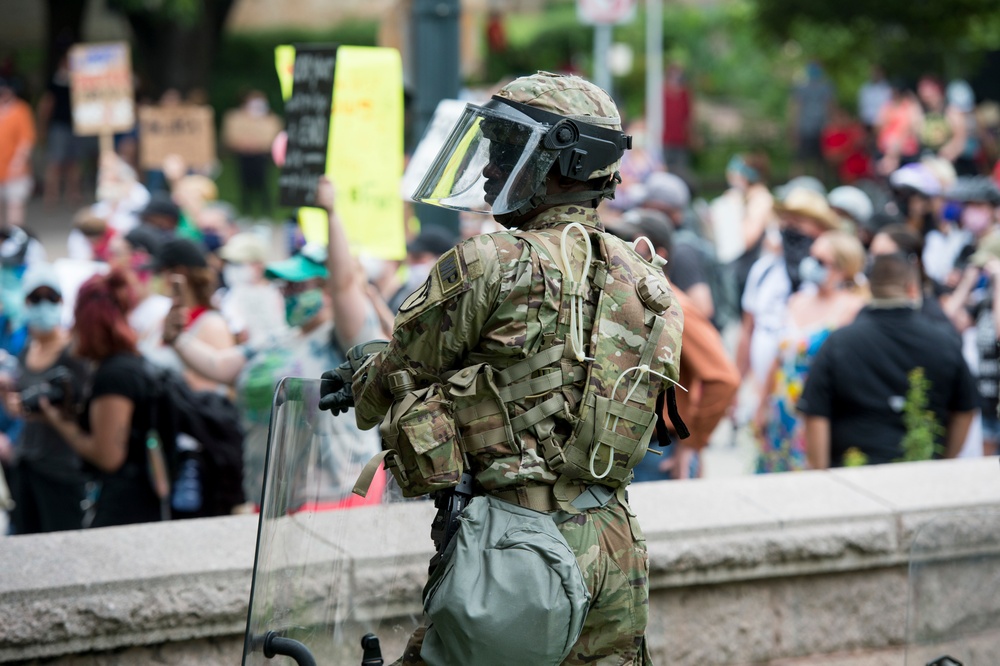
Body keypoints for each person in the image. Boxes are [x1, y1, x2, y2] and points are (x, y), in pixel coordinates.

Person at [324, 72, 683, 665]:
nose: (491, 169)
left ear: (559, 163)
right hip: (615, 544)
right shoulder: (645, 277)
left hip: (516, 548)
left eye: (506, 149)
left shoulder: (490, 261)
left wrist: (362, 365)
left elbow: (396, 378)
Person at [161, 177, 382, 508]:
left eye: (297, 286)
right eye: (284, 287)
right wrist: (176, 340)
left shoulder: (347, 339)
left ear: (325, 289)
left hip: (335, 499)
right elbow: (221, 367)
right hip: (274, 500)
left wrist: (330, 213)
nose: (287, 293)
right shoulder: (278, 337)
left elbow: (345, 283)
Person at [800, 253, 979, 468]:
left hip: (852, 474)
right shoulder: (944, 342)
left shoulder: (839, 342)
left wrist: (822, 476)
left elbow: (815, 412)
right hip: (921, 470)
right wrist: (945, 463)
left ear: (870, 288)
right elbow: (966, 408)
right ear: (912, 288)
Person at [39, 270, 162, 527]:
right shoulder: (130, 364)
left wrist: (58, 421)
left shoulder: (114, 376)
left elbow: (108, 456)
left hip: (126, 511)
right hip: (140, 507)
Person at [753, 231, 867, 472]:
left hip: (817, 410)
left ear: (843, 268)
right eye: (812, 257)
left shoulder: (853, 309)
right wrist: (761, 405)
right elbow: (778, 358)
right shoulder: (797, 300)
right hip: (781, 408)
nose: (811, 265)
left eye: (821, 261)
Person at [6, 268, 90, 533]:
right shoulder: (27, 347)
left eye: (51, 298)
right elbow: (21, 402)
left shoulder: (73, 351)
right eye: (36, 298)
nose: (44, 305)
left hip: (61, 468)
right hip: (27, 463)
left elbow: (82, 408)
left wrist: (49, 412)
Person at [221, 91, 281, 217]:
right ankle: (246, 211)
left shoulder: (270, 119)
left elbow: (274, 137)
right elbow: (230, 137)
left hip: (262, 157)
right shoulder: (236, 118)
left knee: (263, 184)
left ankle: (266, 212)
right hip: (243, 156)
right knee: (244, 185)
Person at [0, 76, 35, 227]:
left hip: (14, 168)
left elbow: (26, 139)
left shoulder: (21, 109)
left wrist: (18, 161)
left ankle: (14, 236)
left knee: (15, 204)